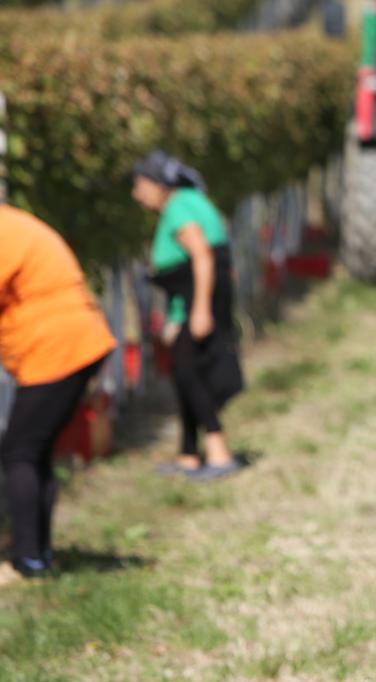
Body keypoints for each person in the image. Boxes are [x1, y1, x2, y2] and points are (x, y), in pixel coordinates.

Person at [0, 205, 117, 579]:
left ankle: (28, 560)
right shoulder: (14, 222)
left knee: (19, 453)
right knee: (34, 452)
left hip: (56, 347)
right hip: (72, 341)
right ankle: (38, 553)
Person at [131, 151, 243, 481]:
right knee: (185, 374)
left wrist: (199, 311)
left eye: (140, 185)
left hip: (200, 301)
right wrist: (178, 316)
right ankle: (189, 455)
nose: (136, 194)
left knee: (190, 374)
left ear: (159, 185)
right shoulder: (192, 200)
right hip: (196, 299)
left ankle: (219, 453)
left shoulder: (179, 207)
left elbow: (203, 258)